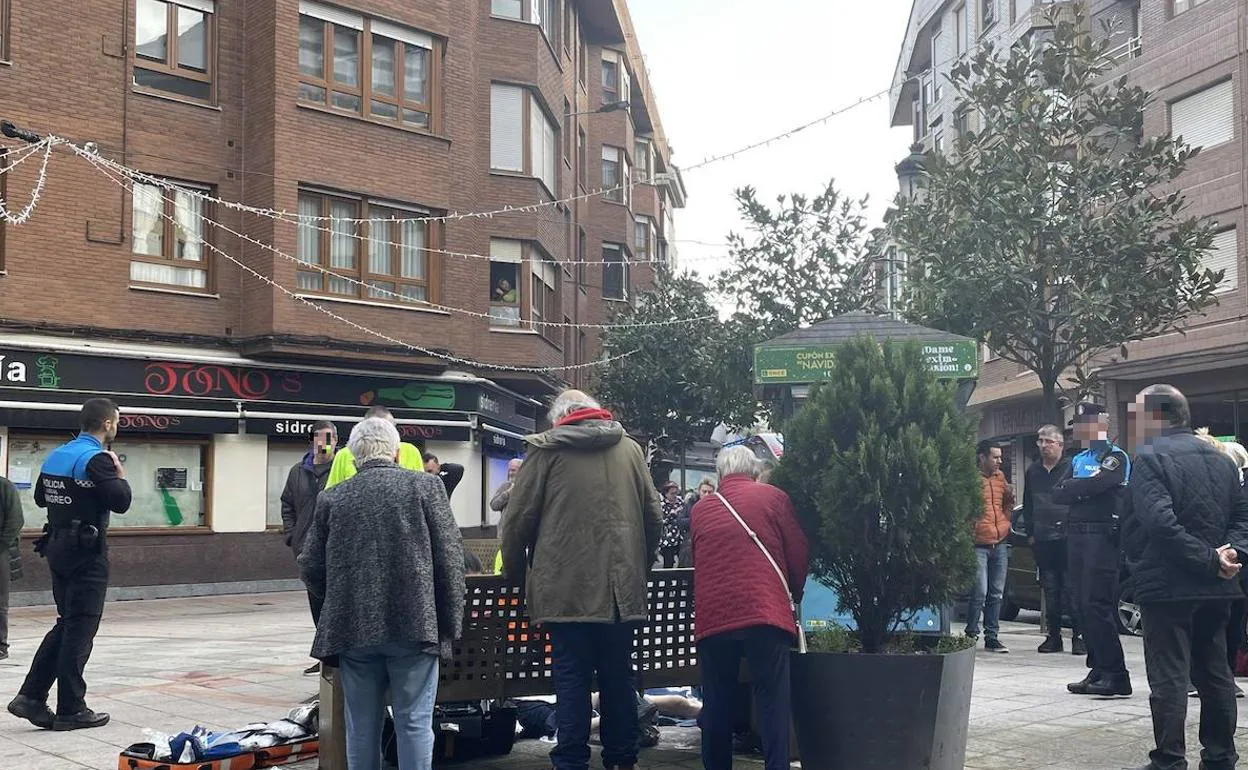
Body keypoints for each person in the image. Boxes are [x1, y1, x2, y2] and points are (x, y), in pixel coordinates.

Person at [500, 390, 662, 770]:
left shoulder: (545, 451)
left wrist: (513, 573)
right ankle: (622, 759)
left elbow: (517, 522)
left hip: (563, 590)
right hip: (621, 591)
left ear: (562, 417)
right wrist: (638, 567)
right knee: (618, 675)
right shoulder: (629, 450)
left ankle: (571, 761)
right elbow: (653, 517)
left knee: (571, 678)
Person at [299, 417, 465, 770]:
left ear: (354, 456)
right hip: (417, 626)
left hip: (354, 630)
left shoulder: (333, 497)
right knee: (415, 722)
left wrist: (337, 601)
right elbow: (450, 562)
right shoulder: (426, 488)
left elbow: (310, 566)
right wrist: (448, 626)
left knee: (361, 727)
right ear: (396, 452)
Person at [1124, 385, 1248, 770]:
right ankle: (1221, 757)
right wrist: (1229, 554)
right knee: (1215, 674)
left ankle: (1169, 760)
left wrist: (1210, 559)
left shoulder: (1148, 458)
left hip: (1168, 586)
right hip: (1217, 588)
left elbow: (1159, 523)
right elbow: (1242, 518)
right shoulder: (1223, 461)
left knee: (1170, 677)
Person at [8, 398, 131, 731]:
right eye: (116, 421)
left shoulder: (58, 454)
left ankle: (31, 697)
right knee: (81, 627)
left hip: (58, 546)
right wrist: (119, 475)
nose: (117, 427)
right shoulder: (98, 459)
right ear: (107, 424)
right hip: (87, 552)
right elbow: (121, 502)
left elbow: (39, 498)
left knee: (67, 623)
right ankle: (71, 708)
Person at [691, 446, 809, 770]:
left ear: (720, 475)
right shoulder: (774, 498)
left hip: (715, 617)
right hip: (764, 612)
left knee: (717, 701)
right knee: (772, 698)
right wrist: (793, 595)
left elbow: (698, 560)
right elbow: (798, 552)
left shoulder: (701, 510)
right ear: (754, 471)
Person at [1055, 402, 1133, 698]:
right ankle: (1098, 668)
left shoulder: (1116, 456)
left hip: (1102, 537)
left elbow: (1106, 483)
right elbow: (1059, 493)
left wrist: (1080, 488)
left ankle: (1116, 674)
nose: (1081, 429)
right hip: (1076, 535)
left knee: (1098, 605)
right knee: (1081, 605)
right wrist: (1087, 486)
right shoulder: (1079, 458)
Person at [1018, 424, 1083, 655]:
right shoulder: (1033, 471)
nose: (1043, 445)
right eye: (1040, 441)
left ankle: (1079, 636)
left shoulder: (1072, 468)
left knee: (1071, 588)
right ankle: (1053, 637)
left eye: (1048, 441)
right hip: (1043, 540)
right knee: (1050, 588)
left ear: (1060, 445)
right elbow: (1028, 505)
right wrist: (1031, 534)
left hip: (1067, 538)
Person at [280, 421, 337, 676]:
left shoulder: (342, 467)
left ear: (336, 440)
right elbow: (287, 504)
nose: (324, 442)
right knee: (316, 603)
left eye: (329, 437)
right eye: (319, 437)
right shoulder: (297, 471)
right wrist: (291, 535)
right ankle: (324, 654)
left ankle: (335, 653)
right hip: (306, 549)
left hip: (335, 546)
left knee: (334, 603)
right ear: (312, 440)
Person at [966, 440, 1014, 653]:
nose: (999, 461)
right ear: (982, 457)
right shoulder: (969, 479)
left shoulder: (1000, 478)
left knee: (997, 593)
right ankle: (971, 634)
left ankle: (992, 636)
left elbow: (1009, 501)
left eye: (1000, 457)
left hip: (1000, 543)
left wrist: (1006, 522)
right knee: (980, 592)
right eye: (995, 457)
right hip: (978, 544)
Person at [326, 406, 423, 489]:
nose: (380, 436)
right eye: (375, 431)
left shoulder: (411, 451)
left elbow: (421, 487)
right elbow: (331, 493)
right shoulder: (344, 454)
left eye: (387, 430)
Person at [0, 473, 24, 661]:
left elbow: (15, 521)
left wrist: (1, 546)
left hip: (1, 552)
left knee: (0, 602)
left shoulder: (5, 487)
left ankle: (1, 645)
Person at [489, 458, 523, 575]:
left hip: (521, 537)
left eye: (513, 470)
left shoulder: (527, 488)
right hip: (504, 537)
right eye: (509, 470)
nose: (510, 473)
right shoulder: (505, 486)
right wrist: (508, 493)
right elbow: (494, 505)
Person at [658, 481, 685, 569]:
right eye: (672, 493)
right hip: (667, 539)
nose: (674, 496)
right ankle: (667, 581)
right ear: (666, 494)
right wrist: (672, 514)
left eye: (676, 493)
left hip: (680, 537)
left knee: (683, 560)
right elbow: (661, 522)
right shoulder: (661, 505)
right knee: (668, 563)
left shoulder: (680, 501)